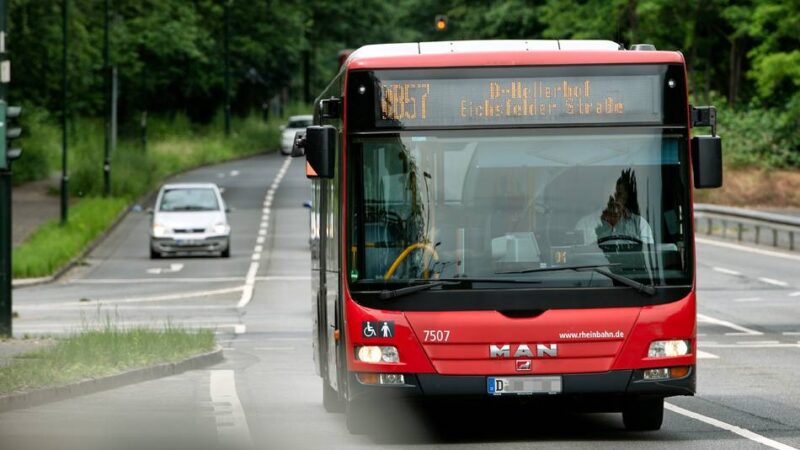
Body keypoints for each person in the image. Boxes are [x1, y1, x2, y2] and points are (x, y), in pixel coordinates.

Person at [575, 169, 654, 245]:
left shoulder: (641, 225)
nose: (614, 198)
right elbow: (577, 252)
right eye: (610, 193)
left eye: (618, 194)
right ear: (602, 193)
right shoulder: (584, 225)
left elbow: (647, 251)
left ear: (625, 196)